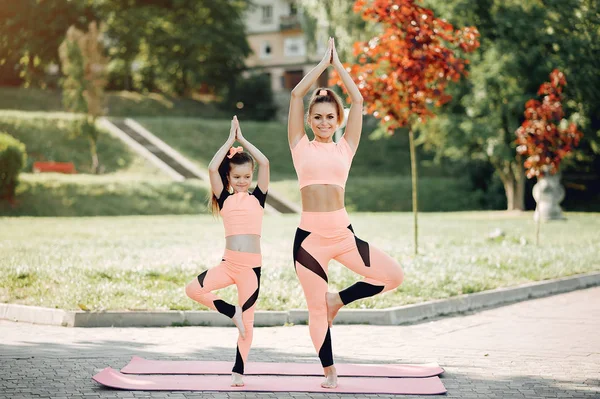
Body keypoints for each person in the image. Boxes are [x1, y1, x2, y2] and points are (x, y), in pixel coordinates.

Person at [288, 37, 404, 388]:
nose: (324, 122)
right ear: (309, 119)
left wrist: (339, 67)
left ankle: (338, 299)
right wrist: (322, 66)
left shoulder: (346, 147)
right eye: (318, 117)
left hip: (343, 235)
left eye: (330, 117)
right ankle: (329, 372)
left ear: (339, 120)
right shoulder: (298, 144)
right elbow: (295, 95)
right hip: (309, 243)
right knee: (315, 310)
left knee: (393, 276)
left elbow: (358, 99)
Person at [185, 115, 269, 387]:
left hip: (251, 269)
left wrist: (243, 140)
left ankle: (238, 371)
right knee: (193, 290)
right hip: (228, 263)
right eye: (237, 177)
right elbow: (211, 168)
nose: (243, 181)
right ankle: (230, 311)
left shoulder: (259, 197)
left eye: (247, 176)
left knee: (249, 322)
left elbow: (265, 162)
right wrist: (229, 141)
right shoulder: (225, 198)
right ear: (229, 178)